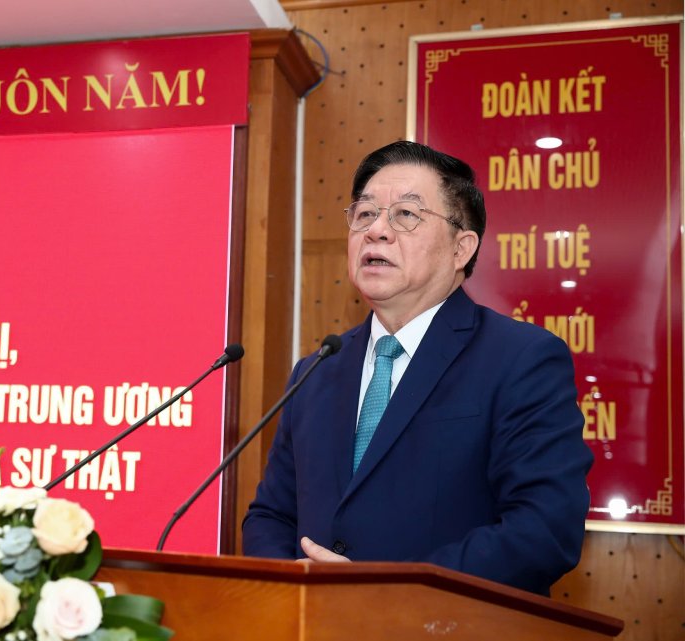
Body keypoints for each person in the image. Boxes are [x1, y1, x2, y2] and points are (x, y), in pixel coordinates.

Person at [242, 141, 592, 595]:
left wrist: (389, 590)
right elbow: (271, 515)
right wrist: (301, 591)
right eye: (365, 214)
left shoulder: (521, 359)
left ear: (461, 248)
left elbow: (543, 530)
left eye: (406, 215)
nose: (376, 231)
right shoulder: (316, 371)